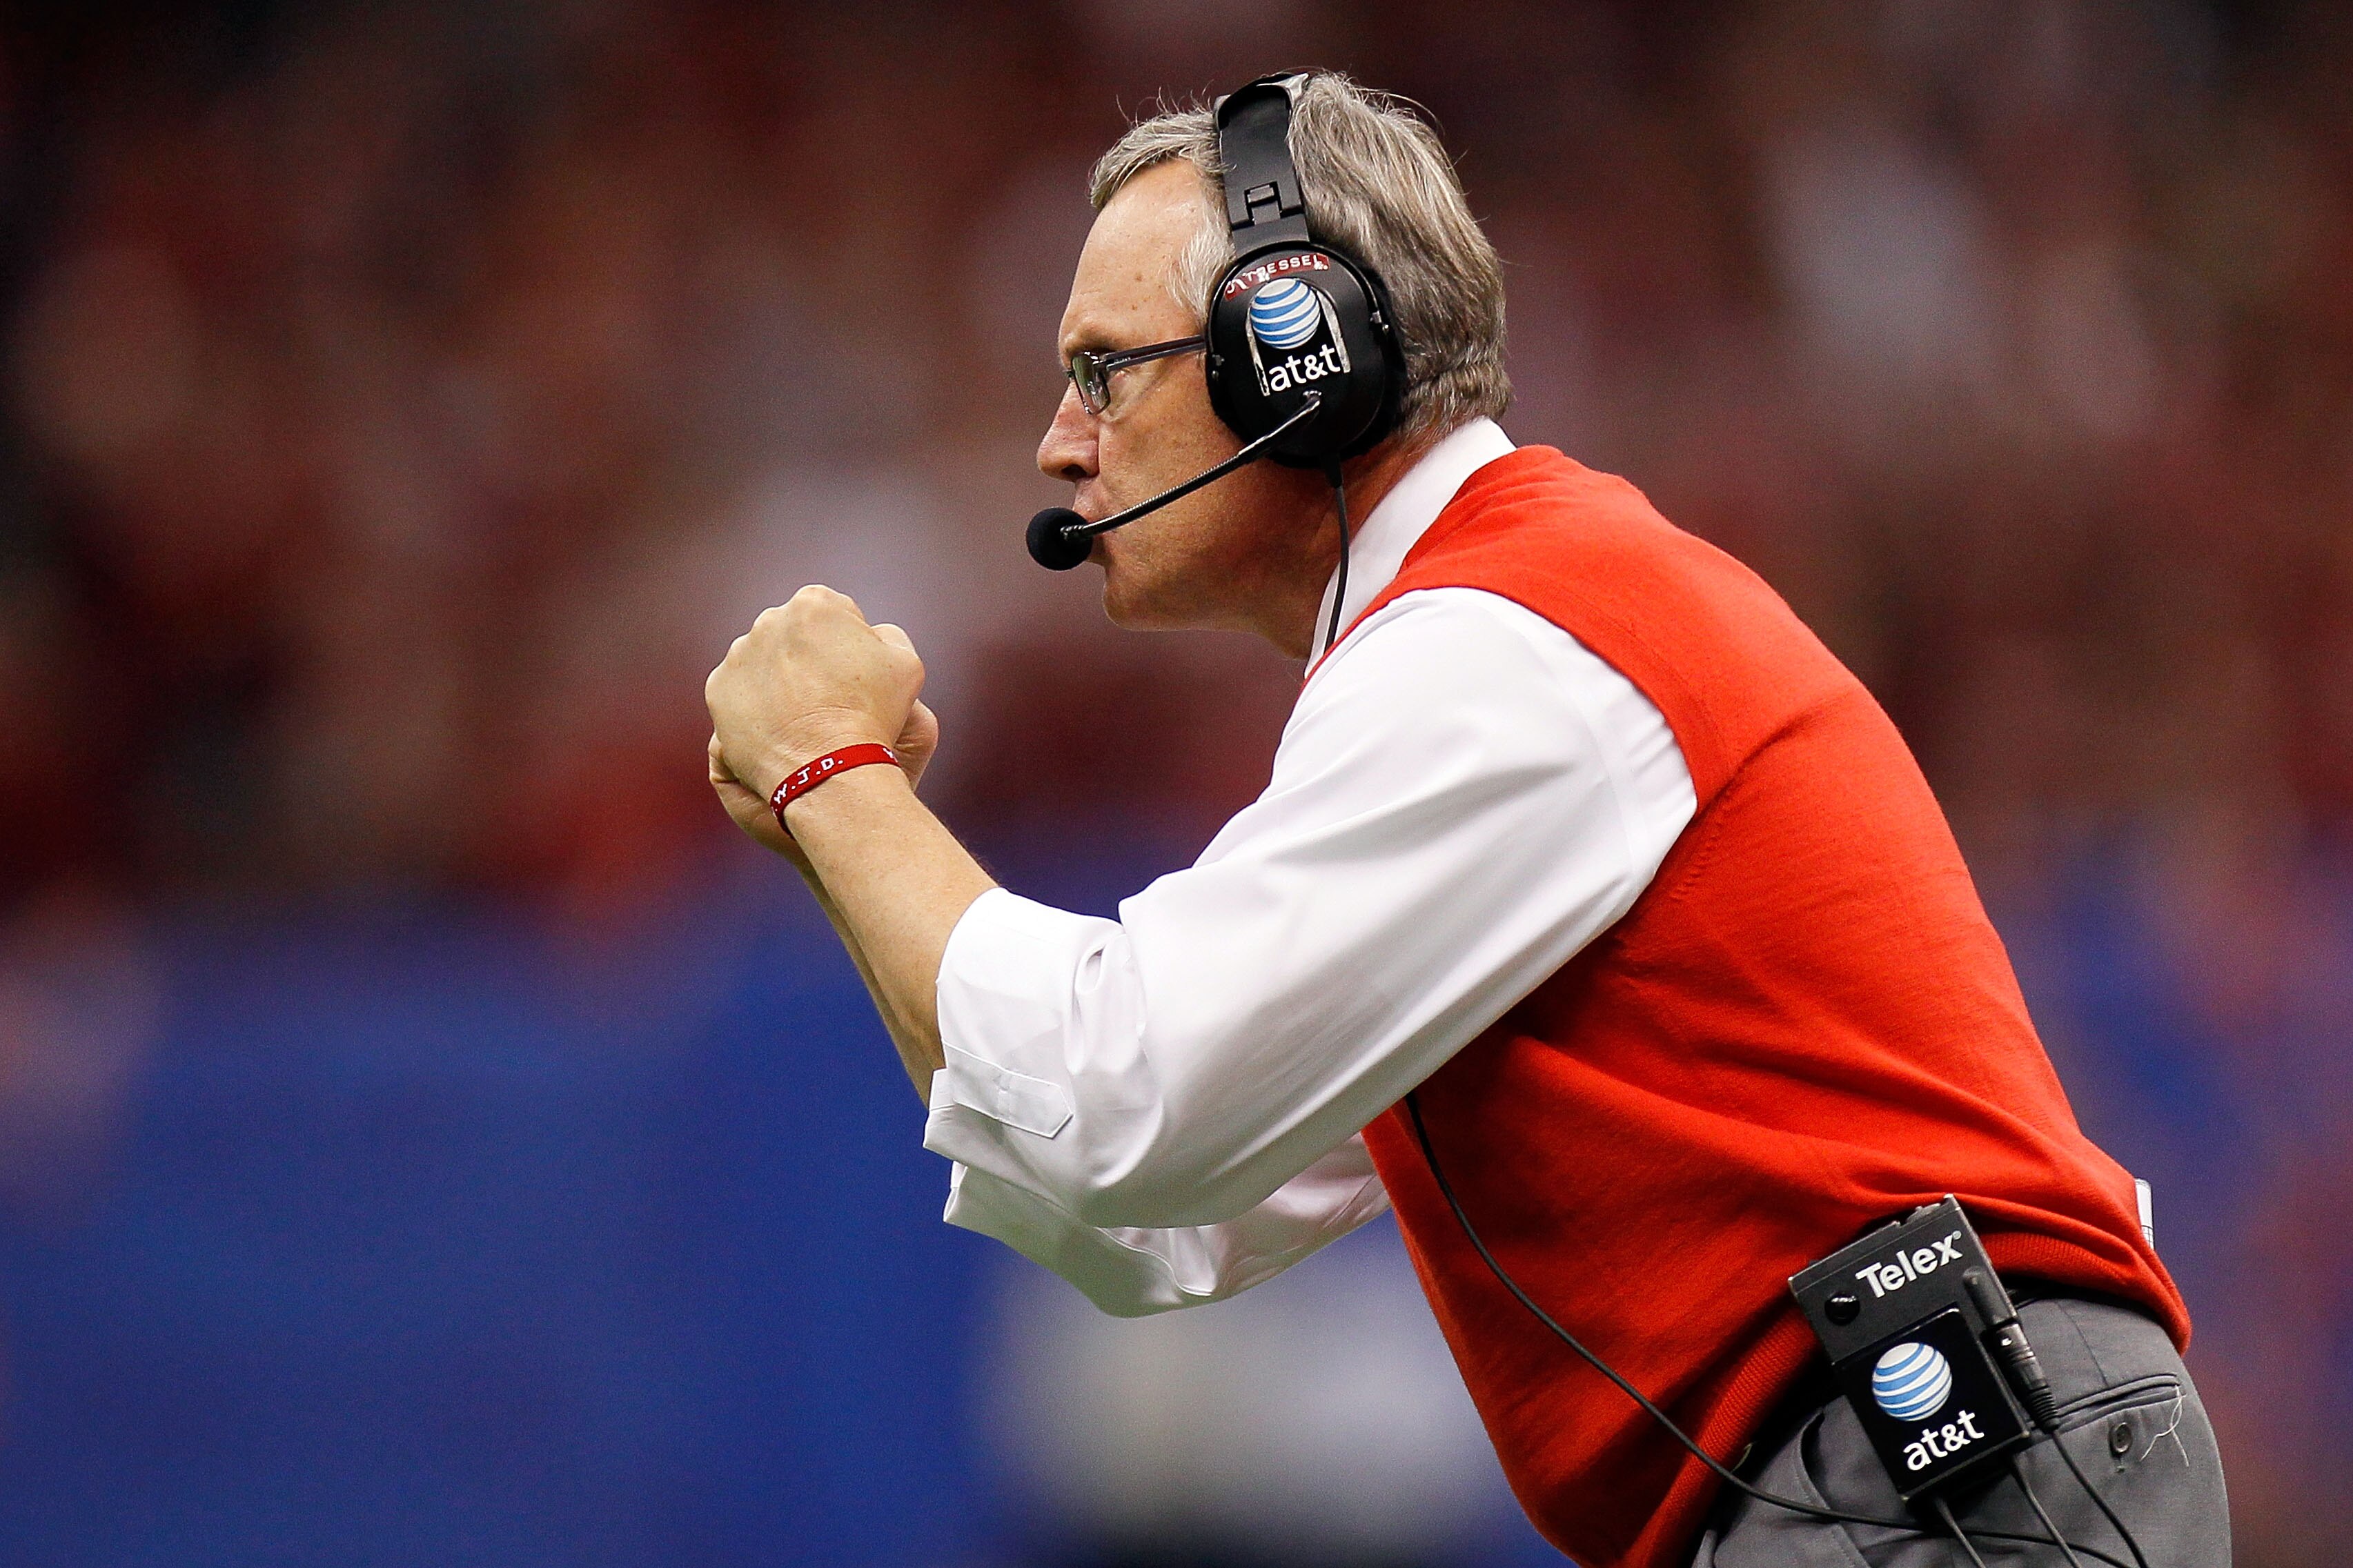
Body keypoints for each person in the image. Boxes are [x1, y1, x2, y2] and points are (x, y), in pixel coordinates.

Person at [704, 72, 2227, 1568]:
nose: (1059, 440)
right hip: (1911, 1478)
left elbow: (1118, 1115)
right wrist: (849, 836)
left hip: (1925, 1473)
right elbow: (1143, 1223)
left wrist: (836, 780)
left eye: (1104, 368)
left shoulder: (1508, 641)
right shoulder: (1507, 627)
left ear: (1294, 356)